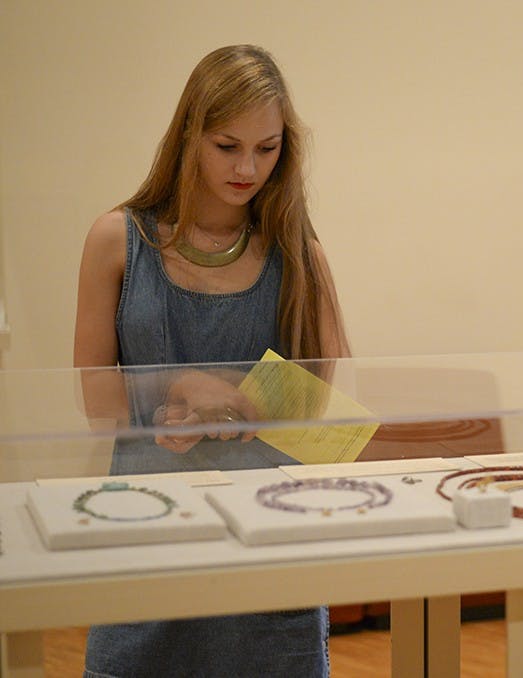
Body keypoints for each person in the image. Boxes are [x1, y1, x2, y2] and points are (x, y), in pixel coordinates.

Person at [73, 44, 349, 677]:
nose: (248, 167)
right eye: (227, 146)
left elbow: (317, 399)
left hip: (268, 534)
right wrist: (181, 386)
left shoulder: (299, 251)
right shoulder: (118, 240)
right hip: (147, 524)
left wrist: (233, 401)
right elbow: (95, 401)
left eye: (268, 147)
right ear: (189, 134)